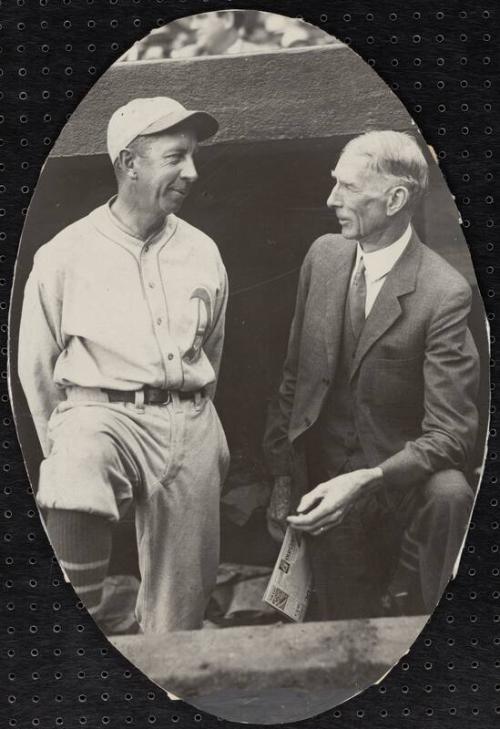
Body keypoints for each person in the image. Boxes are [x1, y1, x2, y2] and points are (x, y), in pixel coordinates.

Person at [18, 96, 229, 634]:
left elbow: (213, 349)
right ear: (129, 163)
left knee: (179, 616)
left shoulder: (204, 250)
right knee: (76, 465)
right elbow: (36, 370)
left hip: (188, 419)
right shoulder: (65, 253)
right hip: (103, 412)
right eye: (176, 156)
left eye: (194, 157)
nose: (192, 172)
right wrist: (64, 449)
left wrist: (195, 419)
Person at [263, 130, 480, 620]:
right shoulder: (323, 256)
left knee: (451, 493)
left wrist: (368, 478)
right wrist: (282, 476)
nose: (331, 199)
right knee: (344, 636)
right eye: (334, 184)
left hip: (399, 483)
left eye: (348, 188)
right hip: (326, 483)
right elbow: (293, 379)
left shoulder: (443, 293)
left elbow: (452, 436)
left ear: (396, 199)